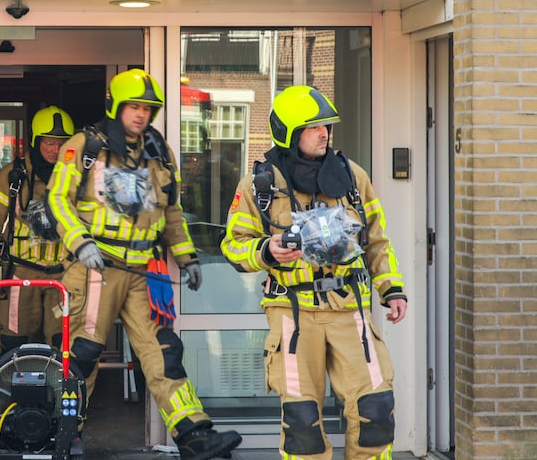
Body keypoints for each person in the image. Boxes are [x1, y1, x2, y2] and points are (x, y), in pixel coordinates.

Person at [46, 69, 243, 460]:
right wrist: (79, 242)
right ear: (116, 107)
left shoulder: (159, 150)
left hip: (142, 271)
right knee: (82, 355)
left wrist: (187, 257)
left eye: (147, 108)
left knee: (163, 352)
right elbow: (57, 200)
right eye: (133, 107)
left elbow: (171, 211)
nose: (141, 115)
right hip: (96, 267)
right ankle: (60, 434)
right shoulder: (84, 146)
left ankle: (193, 435)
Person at [221, 85, 407, 460]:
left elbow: (377, 240)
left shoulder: (352, 177)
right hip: (292, 313)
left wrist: (392, 289)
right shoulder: (259, 186)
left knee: (375, 411)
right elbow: (233, 245)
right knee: (301, 422)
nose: (324, 133)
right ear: (289, 133)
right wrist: (267, 251)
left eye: (327, 126)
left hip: (349, 309)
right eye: (313, 127)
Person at [0, 106, 75, 353]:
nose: (55, 150)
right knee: (15, 340)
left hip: (62, 276)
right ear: (36, 142)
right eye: (49, 143)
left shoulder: (75, 178)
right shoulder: (12, 176)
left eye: (61, 144)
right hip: (21, 274)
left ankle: (56, 391)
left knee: (60, 342)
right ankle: (10, 391)